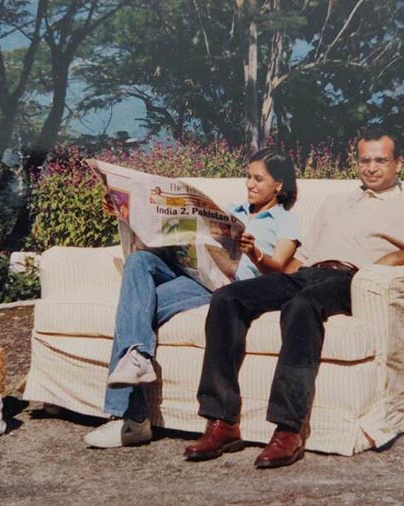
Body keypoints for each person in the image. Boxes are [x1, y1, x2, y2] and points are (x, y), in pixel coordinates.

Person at [184, 128, 404, 468]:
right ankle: (222, 421)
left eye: (381, 160)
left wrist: (393, 259)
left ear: (398, 164)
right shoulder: (336, 202)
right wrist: (262, 272)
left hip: (352, 278)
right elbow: (302, 259)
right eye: (365, 160)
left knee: (302, 306)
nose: (371, 168)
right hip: (308, 273)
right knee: (228, 298)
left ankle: (288, 429)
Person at [84, 148, 301, 448]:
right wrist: (125, 212)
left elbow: (279, 268)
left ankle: (132, 420)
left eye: (258, 179)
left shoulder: (285, 220)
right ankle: (138, 358)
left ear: (278, 184)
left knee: (135, 310)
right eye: (248, 177)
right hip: (196, 273)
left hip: (228, 288)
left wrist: (255, 252)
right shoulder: (231, 210)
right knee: (138, 263)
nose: (250, 184)